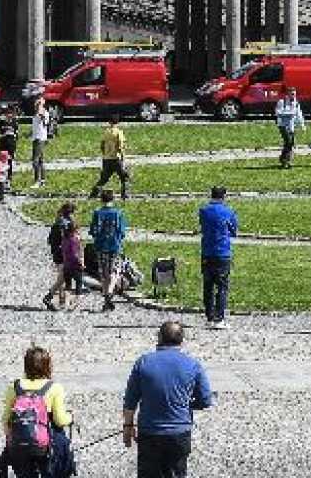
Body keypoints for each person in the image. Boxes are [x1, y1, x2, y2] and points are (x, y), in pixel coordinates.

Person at [121, 321, 213, 478]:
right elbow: (205, 400)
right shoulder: (192, 364)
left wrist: (128, 427)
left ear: (159, 337)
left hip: (150, 431)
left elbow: (130, 400)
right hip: (179, 431)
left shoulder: (143, 362)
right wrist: (185, 404)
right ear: (182, 340)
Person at [0, 345, 74, 478]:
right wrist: (70, 417)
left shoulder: (14, 387)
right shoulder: (54, 388)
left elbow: (6, 419)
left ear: (26, 366)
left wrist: (12, 439)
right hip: (44, 445)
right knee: (61, 449)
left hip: (19, 444)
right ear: (47, 366)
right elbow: (60, 420)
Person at [197, 187, 238, 328]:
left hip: (207, 252)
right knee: (222, 286)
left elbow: (203, 227)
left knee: (208, 286)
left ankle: (209, 317)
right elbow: (234, 231)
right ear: (224, 197)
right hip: (222, 253)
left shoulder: (203, 211)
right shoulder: (229, 212)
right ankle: (219, 318)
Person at [89, 190, 128, 312]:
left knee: (103, 273)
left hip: (100, 246)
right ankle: (109, 294)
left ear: (101, 199)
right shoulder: (118, 213)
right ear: (113, 199)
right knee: (115, 271)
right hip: (114, 246)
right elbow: (122, 232)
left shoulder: (97, 213)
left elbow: (93, 231)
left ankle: (106, 296)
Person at [43, 202, 82, 312]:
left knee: (62, 277)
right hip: (65, 254)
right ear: (71, 213)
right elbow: (71, 241)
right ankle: (51, 297)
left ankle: (60, 299)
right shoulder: (66, 224)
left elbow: (50, 240)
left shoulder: (57, 222)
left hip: (57, 252)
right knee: (63, 277)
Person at [90, 117, 129, 199]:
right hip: (116, 158)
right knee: (124, 177)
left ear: (109, 122)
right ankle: (124, 195)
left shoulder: (106, 132)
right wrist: (122, 156)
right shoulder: (119, 132)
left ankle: (93, 194)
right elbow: (120, 145)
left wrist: (105, 154)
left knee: (104, 179)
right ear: (118, 123)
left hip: (106, 159)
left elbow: (102, 145)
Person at [273, 89, 303, 169]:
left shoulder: (296, 103)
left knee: (291, 143)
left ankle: (285, 160)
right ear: (288, 94)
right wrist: (289, 113)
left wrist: (302, 124)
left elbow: (299, 113)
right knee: (288, 142)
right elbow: (277, 112)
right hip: (283, 125)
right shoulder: (281, 102)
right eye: (292, 94)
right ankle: (285, 160)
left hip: (291, 126)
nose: (293, 96)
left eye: (294, 94)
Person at [30, 98, 52, 187]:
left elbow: (45, 123)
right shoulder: (36, 114)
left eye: (38, 104)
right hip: (35, 138)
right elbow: (36, 126)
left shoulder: (44, 113)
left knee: (35, 161)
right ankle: (42, 180)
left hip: (40, 139)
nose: (35, 105)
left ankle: (37, 181)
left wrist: (41, 108)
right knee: (40, 161)